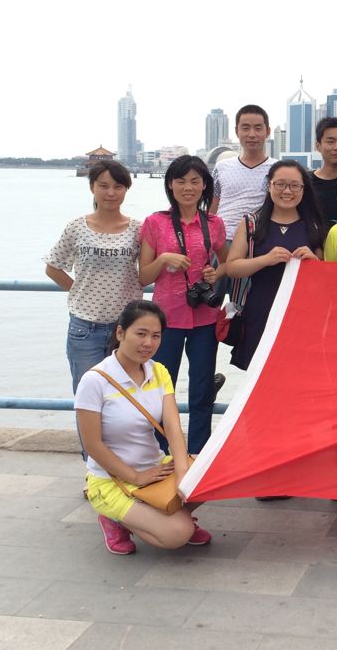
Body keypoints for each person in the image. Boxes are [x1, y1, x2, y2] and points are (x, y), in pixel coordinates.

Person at [75, 300, 211, 555]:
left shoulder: (158, 371)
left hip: (156, 468)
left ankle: (163, 511)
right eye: (141, 333)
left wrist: (183, 473)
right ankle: (114, 519)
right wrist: (135, 477)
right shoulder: (94, 381)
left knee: (211, 475)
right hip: (114, 479)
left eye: (156, 336)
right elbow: (92, 445)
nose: (148, 343)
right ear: (120, 333)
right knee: (179, 533)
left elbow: (172, 426)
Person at [138, 156, 226, 454]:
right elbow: (143, 276)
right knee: (162, 388)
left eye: (195, 181)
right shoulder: (155, 223)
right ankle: (162, 452)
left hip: (205, 317)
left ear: (204, 186)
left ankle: (199, 452)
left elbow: (227, 263)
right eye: (181, 181)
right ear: (170, 185)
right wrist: (163, 259)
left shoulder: (214, 224)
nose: (188, 187)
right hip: (165, 320)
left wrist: (215, 274)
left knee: (202, 388)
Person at [45, 160, 144, 394]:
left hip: (126, 327)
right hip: (85, 328)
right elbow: (53, 267)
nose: (111, 193)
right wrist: (79, 290)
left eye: (118, 186)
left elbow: (147, 271)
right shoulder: (77, 227)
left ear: (126, 189)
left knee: (124, 397)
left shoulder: (138, 229)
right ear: (92, 187)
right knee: (88, 395)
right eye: (103, 186)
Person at [225, 160, 326, 370]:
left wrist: (314, 263)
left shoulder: (314, 226)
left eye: (294, 185)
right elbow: (232, 267)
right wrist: (265, 260)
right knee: (257, 373)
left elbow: (325, 279)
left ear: (303, 189)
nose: (287, 191)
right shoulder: (250, 223)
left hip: (300, 315)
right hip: (259, 311)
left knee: (297, 372)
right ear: (269, 185)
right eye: (280, 184)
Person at [210, 105, 276, 228]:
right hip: (222, 236)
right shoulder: (221, 167)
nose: (252, 134)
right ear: (237, 131)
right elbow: (212, 208)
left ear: (267, 131)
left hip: (260, 236)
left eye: (258, 128)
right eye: (245, 128)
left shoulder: (277, 169)